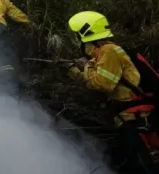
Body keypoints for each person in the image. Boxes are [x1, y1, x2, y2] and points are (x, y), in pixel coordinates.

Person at [67, 11, 159, 173]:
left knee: (145, 167)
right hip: (134, 119)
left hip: (137, 119)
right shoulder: (105, 53)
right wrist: (75, 73)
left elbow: (103, 84)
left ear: (84, 34)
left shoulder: (109, 51)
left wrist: (86, 65)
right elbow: (100, 80)